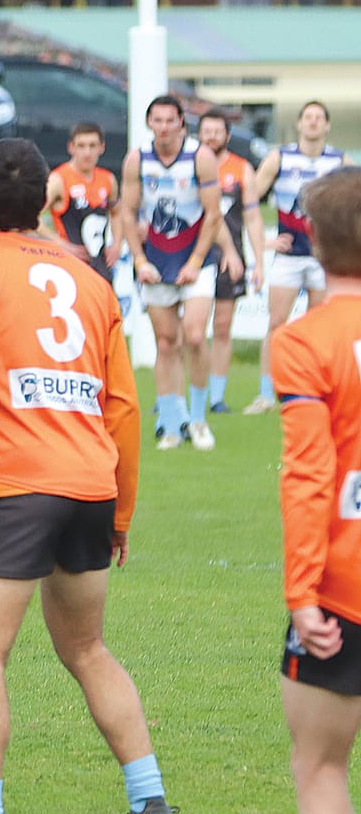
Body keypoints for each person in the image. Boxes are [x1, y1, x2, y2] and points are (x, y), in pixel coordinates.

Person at [0, 138, 168, 814]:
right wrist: (121, 513)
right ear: (48, 201)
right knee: (87, 647)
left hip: (16, 483)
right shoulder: (91, 280)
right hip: (91, 484)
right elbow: (123, 405)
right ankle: (150, 796)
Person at [271, 165, 361, 813]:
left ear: (313, 239)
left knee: (322, 767)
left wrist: (302, 594)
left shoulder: (304, 341)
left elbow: (310, 475)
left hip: (343, 587)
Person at [117, 95, 221, 451]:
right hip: (156, 262)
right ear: (149, 123)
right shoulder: (137, 160)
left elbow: (213, 214)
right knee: (166, 342)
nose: (163, 127)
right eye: (156, 121)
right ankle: (172, 423)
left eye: (169, 120)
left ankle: (198, 418)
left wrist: (195, 262)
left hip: (195, 260)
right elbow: (128, 213)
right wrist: (140, 260)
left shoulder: (200, 157)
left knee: (194, 336)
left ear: (181, 123)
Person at [248, 102, 350, 415]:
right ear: (299, 124)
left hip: (323, 259)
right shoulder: (280, 158)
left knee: (321, 325)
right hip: (289, 255)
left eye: (319, 118)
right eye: (308, 117)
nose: (313, 123)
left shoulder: (340, 161)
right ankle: (267, 393)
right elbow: (249, 200)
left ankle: (319, 387)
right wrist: (264, 242)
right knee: (277, 323)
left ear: (327, 126)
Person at [197, 110, 260, 414]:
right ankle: (179, 395)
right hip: (195, 256)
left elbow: (252, 217)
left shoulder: (241, 168)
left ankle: (217, 398)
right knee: (189, 330)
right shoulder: (190, 165)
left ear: (227, 135)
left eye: (216, 131)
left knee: (222, 327)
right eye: (205, 131)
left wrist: (259, 259)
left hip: (230, 256)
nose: (210, 136)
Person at [43, 121, 122, 285]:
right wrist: (61, 244)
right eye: (81, 146)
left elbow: (116, 212)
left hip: (101, 268)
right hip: (71, 267)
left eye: (93, 146)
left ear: (102, 148)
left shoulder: (108, 179)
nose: (87, 152)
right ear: (71, 147)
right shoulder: (59, 180)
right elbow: (31, 217)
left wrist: (116, 244)